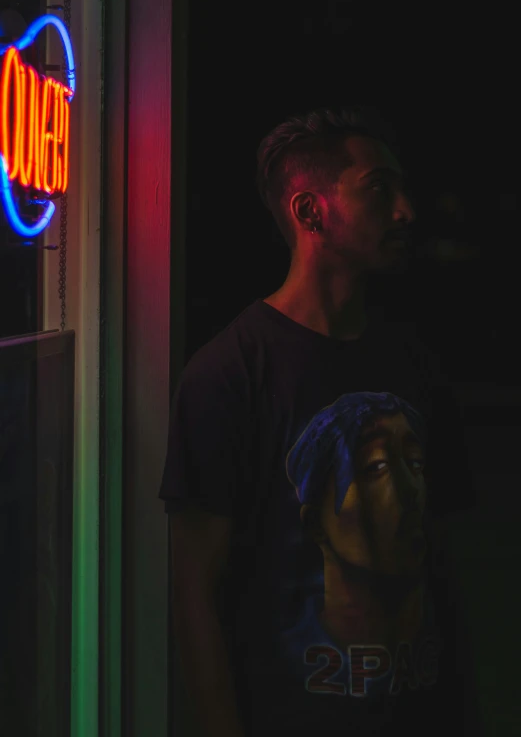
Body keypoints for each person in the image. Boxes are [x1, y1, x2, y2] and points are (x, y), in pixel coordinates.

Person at [159, 107, 481, 736]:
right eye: (378, 189)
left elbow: (445, 570)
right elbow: (195, 591)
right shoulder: (229, 372)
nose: (405, 211)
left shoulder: (416, 364)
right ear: (312, 213)